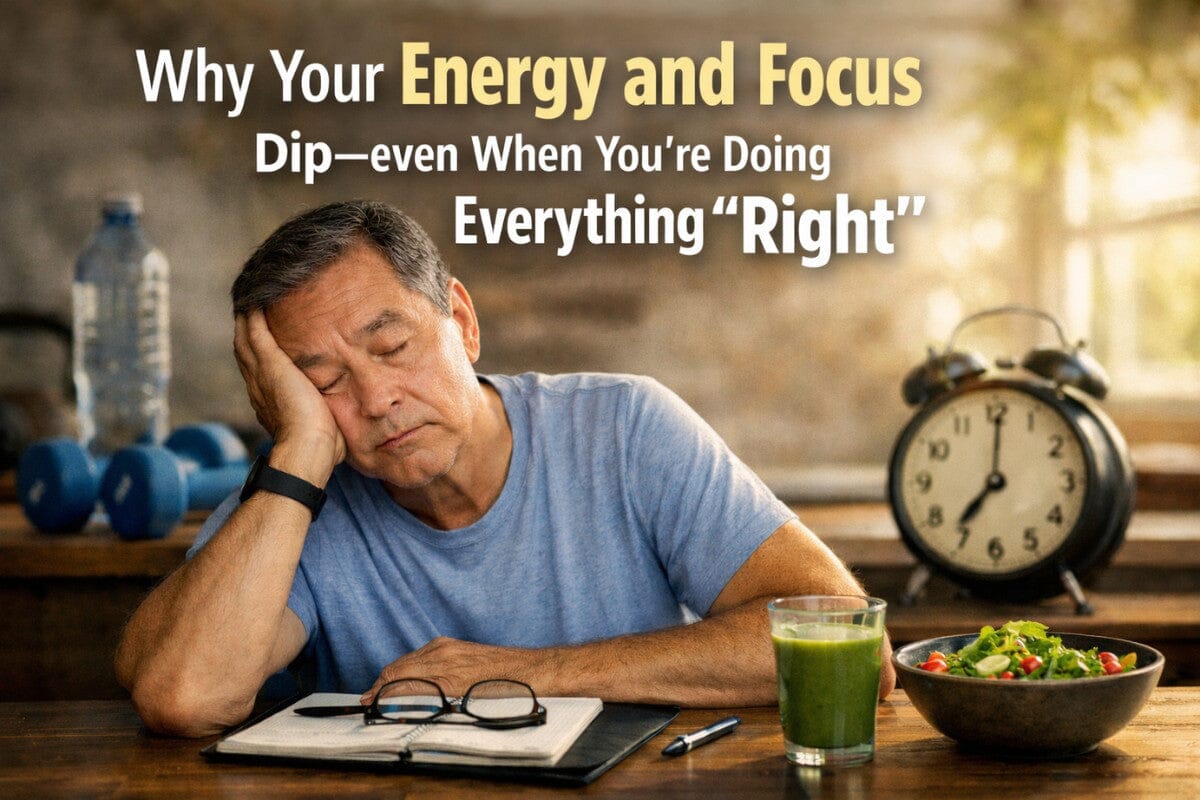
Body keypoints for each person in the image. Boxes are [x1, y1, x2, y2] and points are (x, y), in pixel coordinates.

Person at [115, 200, 895, 736]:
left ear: (461, 321)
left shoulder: (624, 428)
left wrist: (525, 674)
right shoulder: (294, 499)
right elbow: (184, 695)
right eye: (324, 384)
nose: (379, 400)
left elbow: (844, 637)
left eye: (393, 348)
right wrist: (298, 454)